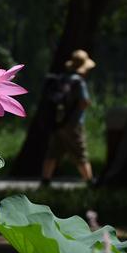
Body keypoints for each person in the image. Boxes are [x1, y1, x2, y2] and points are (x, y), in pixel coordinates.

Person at [41, 49, 95, 186]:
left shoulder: (62, 79)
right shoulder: (79, 82)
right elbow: (83, 102)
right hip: (73, 124)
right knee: (81, 152)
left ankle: (45, 181)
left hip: (58, 123)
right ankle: (89, 182)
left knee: (53, 152)